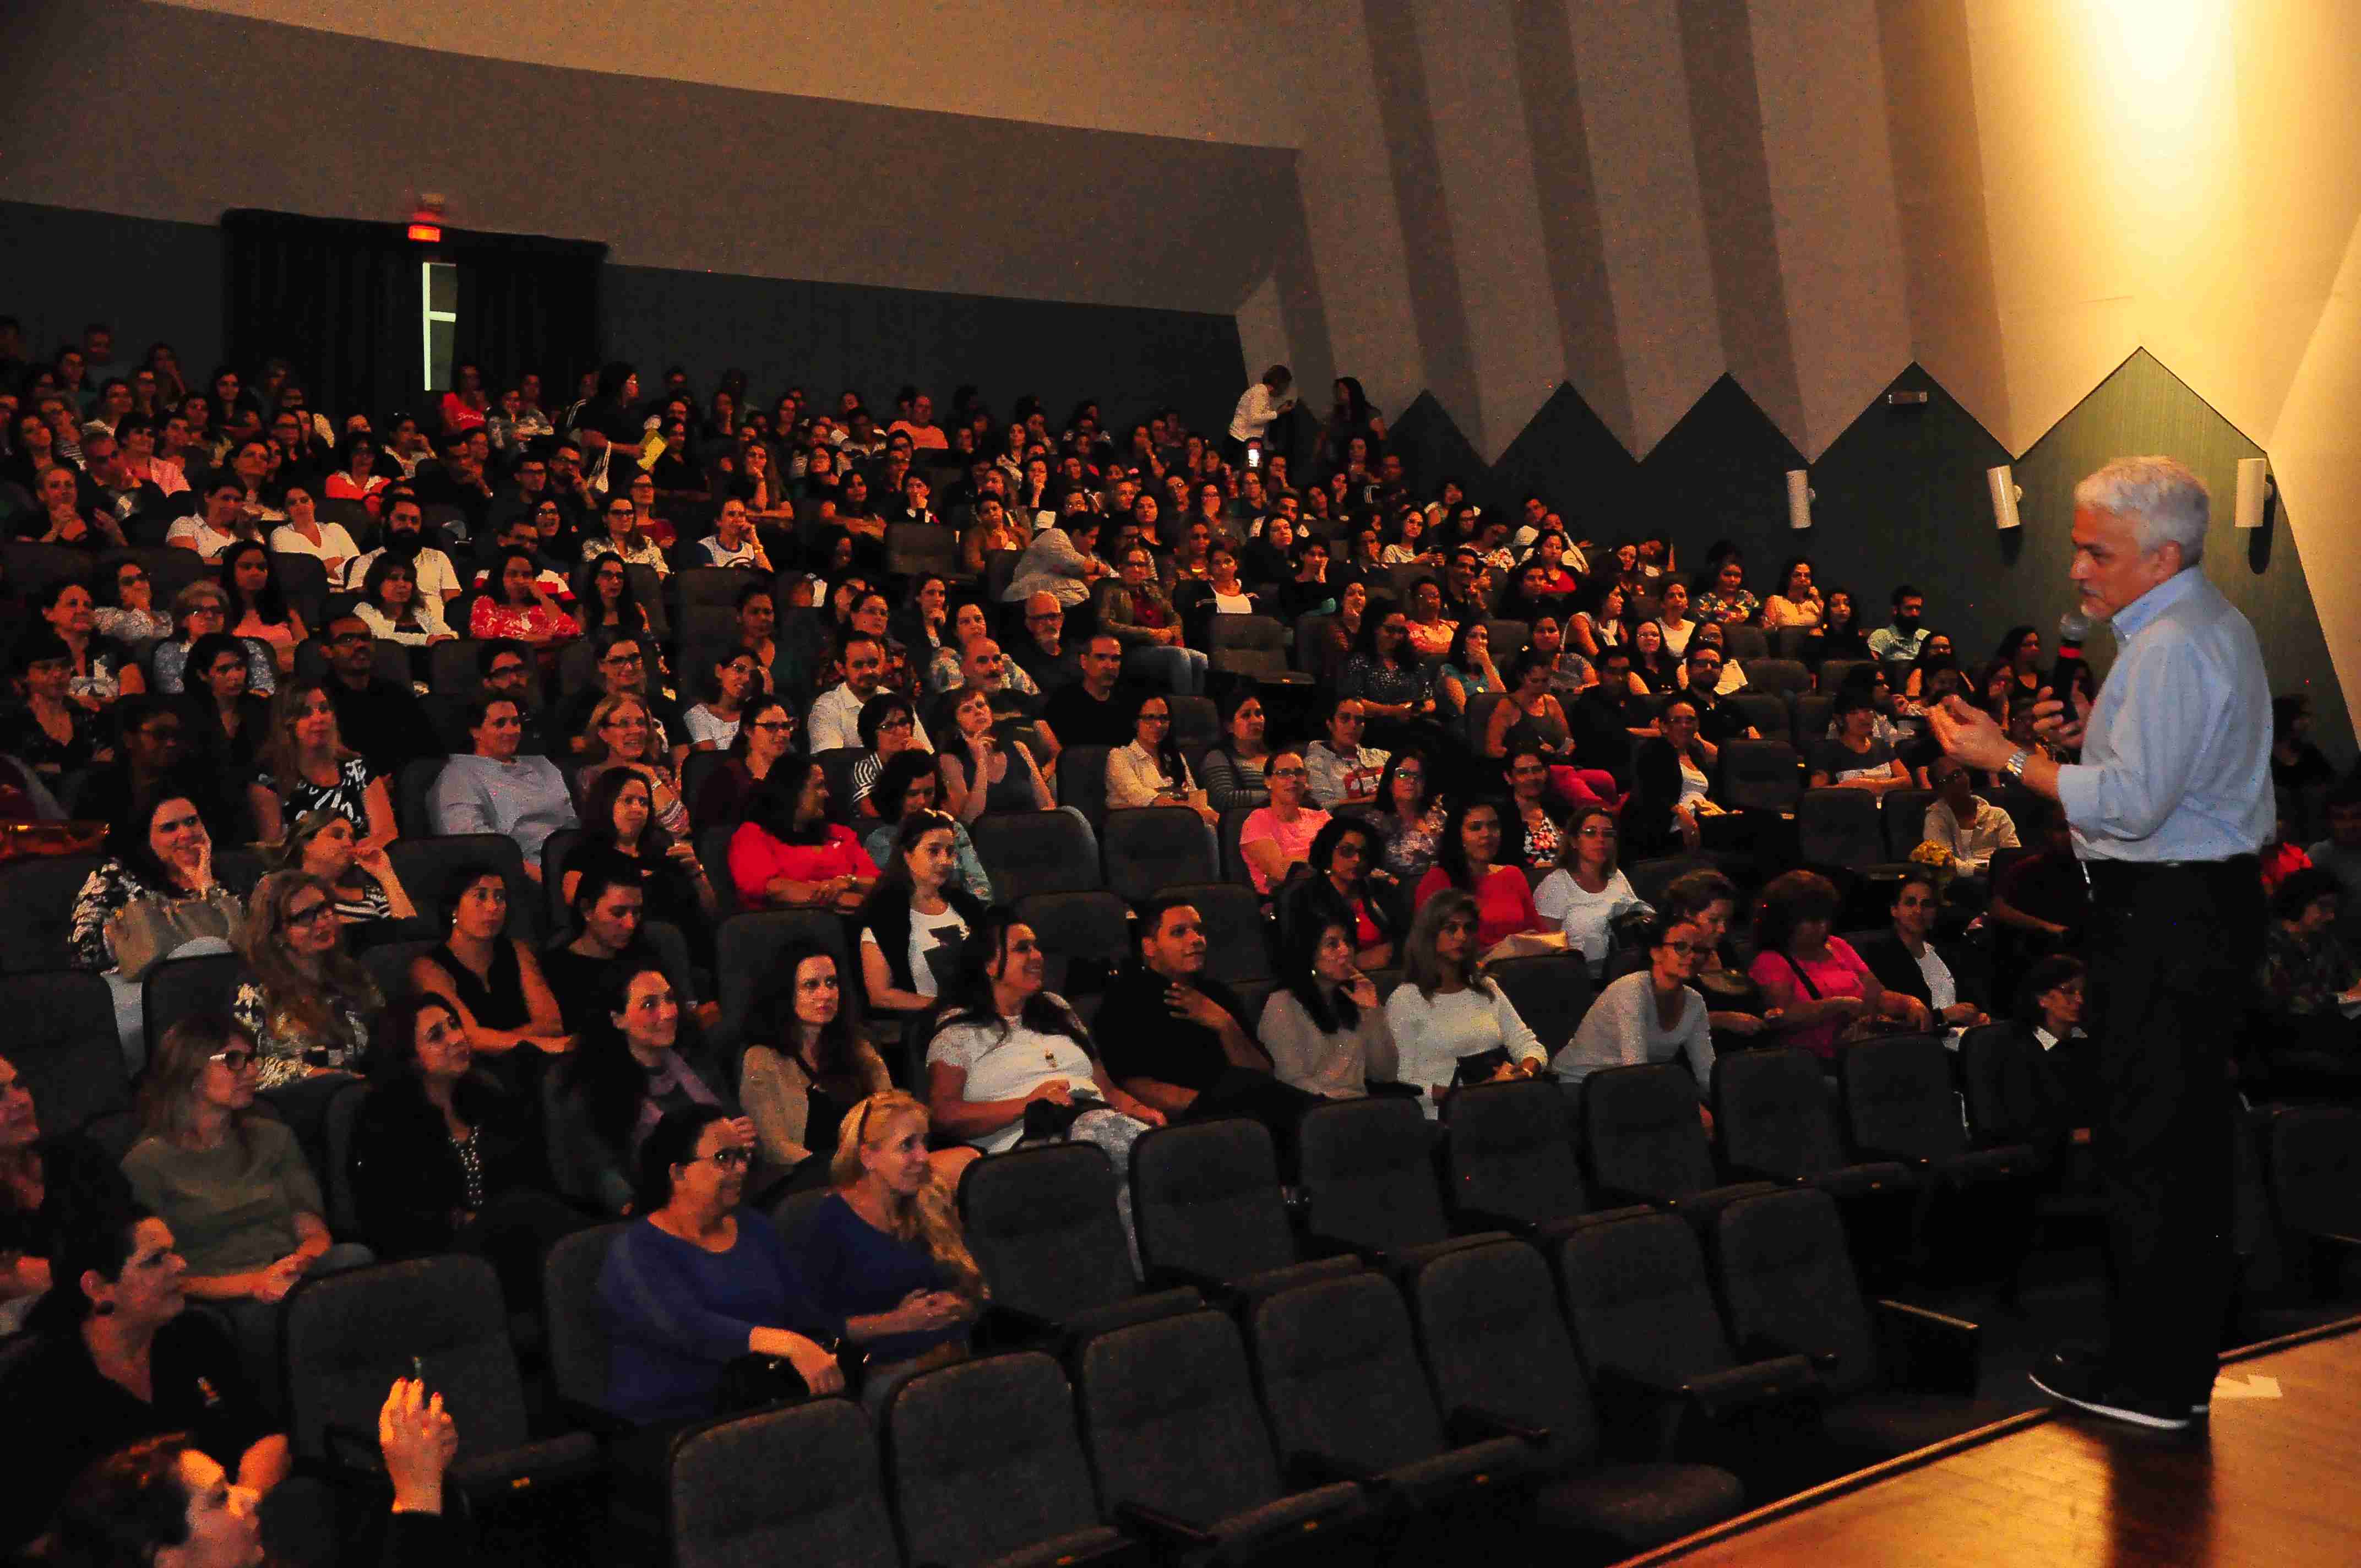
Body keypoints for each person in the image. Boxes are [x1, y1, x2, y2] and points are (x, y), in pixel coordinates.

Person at [0, 1210, 296, 1559]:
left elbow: (265, 1437)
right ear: (96, 1287)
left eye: (174, 1251)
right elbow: (32, 1532)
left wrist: (238, 1507)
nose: (180, 1264)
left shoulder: (195, 1334)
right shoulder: (35, 1378)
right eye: (156, 1260)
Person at [119, 1015, 374, 1378]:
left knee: (354, 1259)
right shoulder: (146, 1164)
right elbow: (162, 1274)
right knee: (261, 1320)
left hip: (292, 1275)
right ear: (190, 1072)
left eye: (251, 1059)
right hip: (224, 1294)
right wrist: (257, 1283)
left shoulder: (273, 1137)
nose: (251, 1071)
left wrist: (299, 1262)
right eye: (233, 1060)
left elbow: (312, 1229)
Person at [595, 1106, 845, 1424]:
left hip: (764, 1398)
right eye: (724, 1159)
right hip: (675, 1420)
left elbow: (802, 1312)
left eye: (742, 1156)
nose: (740, 1169)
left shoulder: (755, 1228)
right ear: (678, 1173)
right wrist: (790, 1344)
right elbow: (688, 1328)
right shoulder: (636, 1251)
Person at [349, 994, 583, 1305]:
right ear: (410, 1057)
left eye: (454, 1025)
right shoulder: (384, 1119)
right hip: (436, 1262)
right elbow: (392, 1219)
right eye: (437, 1036)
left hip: (512, 1244)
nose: (457, 1038)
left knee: (532, 1217)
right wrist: (470, 1221)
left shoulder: (488, 1098)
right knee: (524, 1212)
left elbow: (532, 1175)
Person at [923, 912, 1163, 1166]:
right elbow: (945, 1115)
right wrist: (1028, 1104)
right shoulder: (959, 1030)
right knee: (1135, 1152)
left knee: (1151, 1144)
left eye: (1037, 947)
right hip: (1029, 1148)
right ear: (989, 965)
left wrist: (1140, 1111)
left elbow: (1107, 1090)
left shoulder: (1056, 1009)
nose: (1037, 956)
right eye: (1022, 949)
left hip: (1098, 1124)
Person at [794, 1090, 984, 1381]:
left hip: (960, 1359)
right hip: (890, 1377)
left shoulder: (931, 1200)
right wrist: (899, 1322)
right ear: (868, 1157)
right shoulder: (829, 1220)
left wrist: (960, 1306)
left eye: (924, 1143)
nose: (923, 1157)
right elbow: (815, 1327)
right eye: (907, 1146)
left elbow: (978, 1290)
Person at [1092, 896, 1315, 1137]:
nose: (1196, 940)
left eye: (1199, 931)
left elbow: (1261, 1073)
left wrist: (1225, 1024)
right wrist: (1209, 1103)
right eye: (1179, 932)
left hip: (1247, 1105)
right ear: (1150, 947)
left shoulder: (1218, 994)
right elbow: (1131, 1082)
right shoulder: (1125, 998)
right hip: (1188, 1115)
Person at [553, 967, 744, 1217]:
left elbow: (731, 1119)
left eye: (670, 999)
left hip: (728, 1191)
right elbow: (605, 1177)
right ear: (617, 1019)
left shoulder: (696, 1061)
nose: (668, 1013)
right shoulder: (591, 1088)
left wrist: (740, 1139)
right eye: (649, 1005)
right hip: (656, 1213)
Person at [739, 945, 903, 1189]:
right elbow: (774, 1146)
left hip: (869, 1174)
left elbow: (891, 1114)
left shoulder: (860, 1049)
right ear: (786, 994)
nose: (826, 995)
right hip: (802, 1183)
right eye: (811, 985)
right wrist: (845, 1171)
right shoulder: (762, 1059)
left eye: (831, 983)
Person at [1385, 892, 1548, 1118]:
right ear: (1430, 935)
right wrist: (1470, 1093)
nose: (1461, 936)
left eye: (1469, 929)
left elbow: (1529, 1045)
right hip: (1441, 1118)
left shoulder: (1486, 987)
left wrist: (1524, 1072)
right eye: (1451, 928)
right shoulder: (1406, 999)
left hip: (1499, 1104)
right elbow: (1403, 1082)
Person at [1748, 870, 1929, 1064]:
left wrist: (1910, 1003)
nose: (1823, 927)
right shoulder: (1771, 960)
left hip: (1862, 1051)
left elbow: (1878, 995)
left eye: (1826, 918)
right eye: (1814, 921)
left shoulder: (1838, 946)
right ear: (1788, 922)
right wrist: (1839, 1005)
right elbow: (1782, 1017)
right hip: (1812, 1064)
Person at [407, 864, 573, 1070]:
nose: (493, 907)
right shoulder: (428, 967)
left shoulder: (518, 951)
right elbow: (469, 1038)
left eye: (500, 897)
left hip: (531, 1064)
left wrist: (496, 1042)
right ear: (454, 908)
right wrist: (545, 1045)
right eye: (481, 896)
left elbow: (552, 1024)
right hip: (473, 1073)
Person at [230, 870, 380, 1092]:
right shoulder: (254, 991)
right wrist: (315, 1076)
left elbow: (383, 1041)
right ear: (277, 934)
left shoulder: (354, 975)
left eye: (324, 909)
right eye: (305, 917)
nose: (322, 923)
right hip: (291, 1104)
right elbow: (244, 1067)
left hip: (358, 1095)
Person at [1552, 912, 1717, 1102]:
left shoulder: (1695, 1001)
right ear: (1656, 952)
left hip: (1631, 1086)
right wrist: (1689, 1105)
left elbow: (1706, 1072)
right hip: (1581, 1083)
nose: (1692, 956)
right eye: (1681, 947)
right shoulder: (1631, 990)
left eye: (1699, 950)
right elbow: (1636, 1068)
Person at [856, 811, 986, 1021]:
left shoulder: (968, 906)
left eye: (950, 852)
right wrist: (947, 1010)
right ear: (907, 855)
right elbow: (880, 996)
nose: (945, 861)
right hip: (922, 1027)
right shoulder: (882, 913)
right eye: (933, 851)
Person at [429, 695, 578, 878]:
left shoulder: (542, 765)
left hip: (571, 859)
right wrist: (547, 880)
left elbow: (571, 821)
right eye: (500, 724)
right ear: (475, 731)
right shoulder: (458, 776)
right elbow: (477, 843)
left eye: (515, 722)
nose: (511, 730)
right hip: (522, 873)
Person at [1256, 918, 1398, 1100]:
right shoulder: (1282, 1004)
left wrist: (1373, 1011)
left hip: (1360, 1107)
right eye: (1333, 945)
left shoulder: (1356, 998)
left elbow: (1385, 1074)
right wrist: (1337, 1104)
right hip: (1315, 1112)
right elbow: (1291, 1080)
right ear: (1309, 953)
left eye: (1347, 942)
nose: (1345, 951)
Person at [561, 768, 718, 928]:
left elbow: (711, 914)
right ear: (605, 805)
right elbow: (578, 905)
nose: (637, 809)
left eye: (644, 802)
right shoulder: (584, 854)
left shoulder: (664, 851)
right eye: (628, 801)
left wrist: (696, 873)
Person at [248, 679, 396, 849]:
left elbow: (386, 833)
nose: (319, 718)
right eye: (305, 713)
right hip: (302, 873)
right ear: (287, 724)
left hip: (362, 865)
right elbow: (273, 851)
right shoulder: (268, 780)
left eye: (324, 709)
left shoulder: (357, 767)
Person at [729, 756, 878, 912]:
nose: (826, 794)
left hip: (854, 921)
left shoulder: (841, 834)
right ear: (792, 791)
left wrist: (850, 881)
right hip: (784, 926)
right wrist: (838, 898)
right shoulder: (753, 835)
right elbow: (772, 889)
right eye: (819, 786)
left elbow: (876, 882)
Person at [1854, 871, 1991, 1030]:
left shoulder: (1949, 952)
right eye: (1910, 903)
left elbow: (1974, 1002)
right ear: (1894, 910)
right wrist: (1944, 1015)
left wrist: (1980, 1017)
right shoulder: (1879, 955)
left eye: (1926, 904)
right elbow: (1883, 1020)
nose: (1918, 911)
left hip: (1965, 1039)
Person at [1413, 797, 1548, 953]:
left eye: (1493, 826)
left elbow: (1539, 931)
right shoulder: (1438, 879)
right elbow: (1428, 946)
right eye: (1475, 828)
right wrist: (1504, 948)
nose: (1487, 834)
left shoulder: (1513, 875)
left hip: (1520, 967)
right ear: (1459, 835)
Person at [1533, 807, 1648, 978]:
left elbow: (1636, 913)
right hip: (1577, 979)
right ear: (1574, 841)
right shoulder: (1555, 884)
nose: (1601, 840)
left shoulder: (1616, 876)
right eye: (1591, 833)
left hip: (1622, 973)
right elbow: (1546, 949)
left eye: (1608, 834)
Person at [1277, 816, 1400, 972]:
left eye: (1363, 853)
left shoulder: (1382, 891)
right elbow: (1296, 958)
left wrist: (1392, 952)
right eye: (1347, 851)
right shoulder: (1302, 897)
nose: (1357, 859)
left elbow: (1407, 941)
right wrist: (1355, 963)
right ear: (1328, 851)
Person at [1099, 543, 1207, 695]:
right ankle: (1184, 710)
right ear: (1121, 568)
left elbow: (1174, 616)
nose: (1137, 569)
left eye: (1141, 565)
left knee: (1202, 659)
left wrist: (1171, 631)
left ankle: (1198, 708)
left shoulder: (1153, 589)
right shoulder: (1111, 591)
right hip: (1132, 649)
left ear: (1147, 569)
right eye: (1131, 564)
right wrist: (1150, 633)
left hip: (1160, 646)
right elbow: (1107, 625)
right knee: (1179, 656)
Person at [933, 684, 1052, 819]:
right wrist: (981, 762)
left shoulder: (1019, 748)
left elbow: (1047, 805)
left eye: (981, 705)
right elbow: (970, 818)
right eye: (967, 709)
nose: (978, 712)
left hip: (1032, 827)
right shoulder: (950, 760)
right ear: (955, 724)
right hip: (992, 835)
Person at [150, 581, 275, 699]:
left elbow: (265, 690)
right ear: (183, 620)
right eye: (198, 611)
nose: (210, 616)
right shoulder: (169, 651)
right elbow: (176, 696)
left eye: (217, 611)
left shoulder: (249, 647)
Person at [1106, 692, 1216, 823]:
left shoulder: (1175, 757)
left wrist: (1210, 813)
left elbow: (1193, 795)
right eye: (1149, 718)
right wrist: (1186, 808)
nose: (1158, 725)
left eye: (1163, 718)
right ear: (1136, 723)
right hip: (1136, 824)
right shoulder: (1120, 756)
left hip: (1180, 820)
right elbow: (1138, 796)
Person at [690, 696, 796, 830]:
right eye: (770, 726)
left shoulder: (797, 774)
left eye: (786, 726)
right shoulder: (725, 780)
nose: (782, 734)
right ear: (748, 730)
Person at [1237, 752, 1329, 897]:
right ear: (1268, 781)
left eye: (1299, 773)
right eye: (1284, 773)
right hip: (1286, 901)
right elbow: (1280, 871)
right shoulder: (1257, 821)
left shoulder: (1321, 817)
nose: (1293, 779)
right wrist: (1327, 860)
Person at [1922, 753, 2021, 878]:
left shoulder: (1997, 815)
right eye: (1948, 780)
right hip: (1955, 885)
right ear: (1938, 790)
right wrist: (1979, 872)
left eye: (1958, 774)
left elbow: (2014, 856)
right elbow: (1941, 861)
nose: (1957, 782)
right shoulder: (1934, 818)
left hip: (1998, 881)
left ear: (1967, 776)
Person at [1808, 688, 1911, 794]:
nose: (1863, 717)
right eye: (1853, 713)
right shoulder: (1826, 750)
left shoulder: (1881, 745)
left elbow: (1907, 781)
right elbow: (1816, 793)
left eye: (1867, 711)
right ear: (1839, 719)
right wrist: (1855, 786)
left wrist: (1876, 785)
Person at [1040, 632, 1133, 748]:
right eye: (1101, 658)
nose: (1110, 666)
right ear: (1084, 661)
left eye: (1116, 659)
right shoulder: (1064, 702)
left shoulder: (1127, 702)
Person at [1198, 685, 1274, 813]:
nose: (1256, 721)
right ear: (1229, 727)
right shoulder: (1218, 757)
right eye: (1246, 716)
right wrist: (1276, 796)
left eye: (1259, 714)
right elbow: (1224, 799)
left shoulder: (1274, 758)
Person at [1306, 696, 1388, 809]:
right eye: (1345, 718)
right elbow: (1325, 807)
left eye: (1359, 720)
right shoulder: (1316, 763)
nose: (1354, 725)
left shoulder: (1382, 757)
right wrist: (1372, 801)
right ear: (1330, 724)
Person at [1226, 364, 1296, 461]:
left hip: (1242, 440)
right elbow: (1255, 418)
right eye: (1286, 387)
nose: (1285, 391)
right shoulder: (1260, 392)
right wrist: (1278, 413)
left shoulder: (1261, 392)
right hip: (1240, 441)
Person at [1867, 584, 1930, 669]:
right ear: (1895, 610)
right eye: (1909, 608)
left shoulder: (1926, 637)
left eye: (1918, 608)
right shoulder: (1881, 637)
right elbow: (1871, 668)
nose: (1915, 613)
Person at [1761, 558, 1824, 631]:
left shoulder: (1814, 603)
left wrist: (1817, 600)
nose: (1803, 579)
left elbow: (1830, 625)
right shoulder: (1776, 601)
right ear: (1787, 578)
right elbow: (1768, 631)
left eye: (1807, 576)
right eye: (1797, 575)